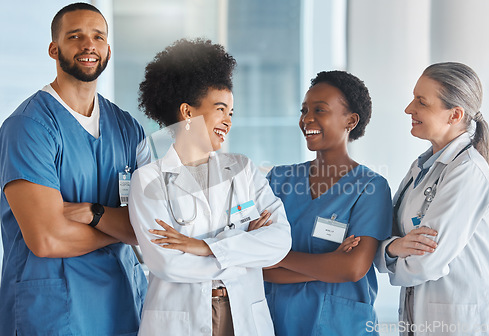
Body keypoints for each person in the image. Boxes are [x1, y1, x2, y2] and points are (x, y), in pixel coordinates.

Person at [0, 3, 150, 335]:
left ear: (108, 49)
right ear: (55, 48)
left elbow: (151, 227)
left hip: (122, 303)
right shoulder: (29, 126)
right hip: (52, 310)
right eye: (75, 36)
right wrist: (117, 228)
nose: (88, 45)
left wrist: (92, 213)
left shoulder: (127, 128)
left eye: (98, 36)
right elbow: (47, 238)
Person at [128, 38, 292, 336]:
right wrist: (243, 252)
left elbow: (280, 241)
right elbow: (166, 264)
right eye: (220, 109)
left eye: (231, 112)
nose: (228, 120)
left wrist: (204, 247)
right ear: (187, 113)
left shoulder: (242, 168)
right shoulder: (149, 179)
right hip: (182, 320)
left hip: (244, 314)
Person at [263, 70, 393, 335]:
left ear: (351, 121)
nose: (306, 119)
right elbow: (258, 265)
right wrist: (330, 265)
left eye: (320, 110)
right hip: (278, 323)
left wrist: (281, 258)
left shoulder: (370, 187)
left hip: (341, 326)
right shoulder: (278, 179)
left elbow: (353, 267)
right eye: (304, 110)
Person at [375, 62, 489, 335]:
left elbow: (426, 262)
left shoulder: (468, 172)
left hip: (460, 322)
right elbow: (385, 235)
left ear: (455, 115)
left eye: (422, 102)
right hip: (419, 319)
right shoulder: (422, 166)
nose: (409, 109)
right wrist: (393, 248)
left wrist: (388, 252)